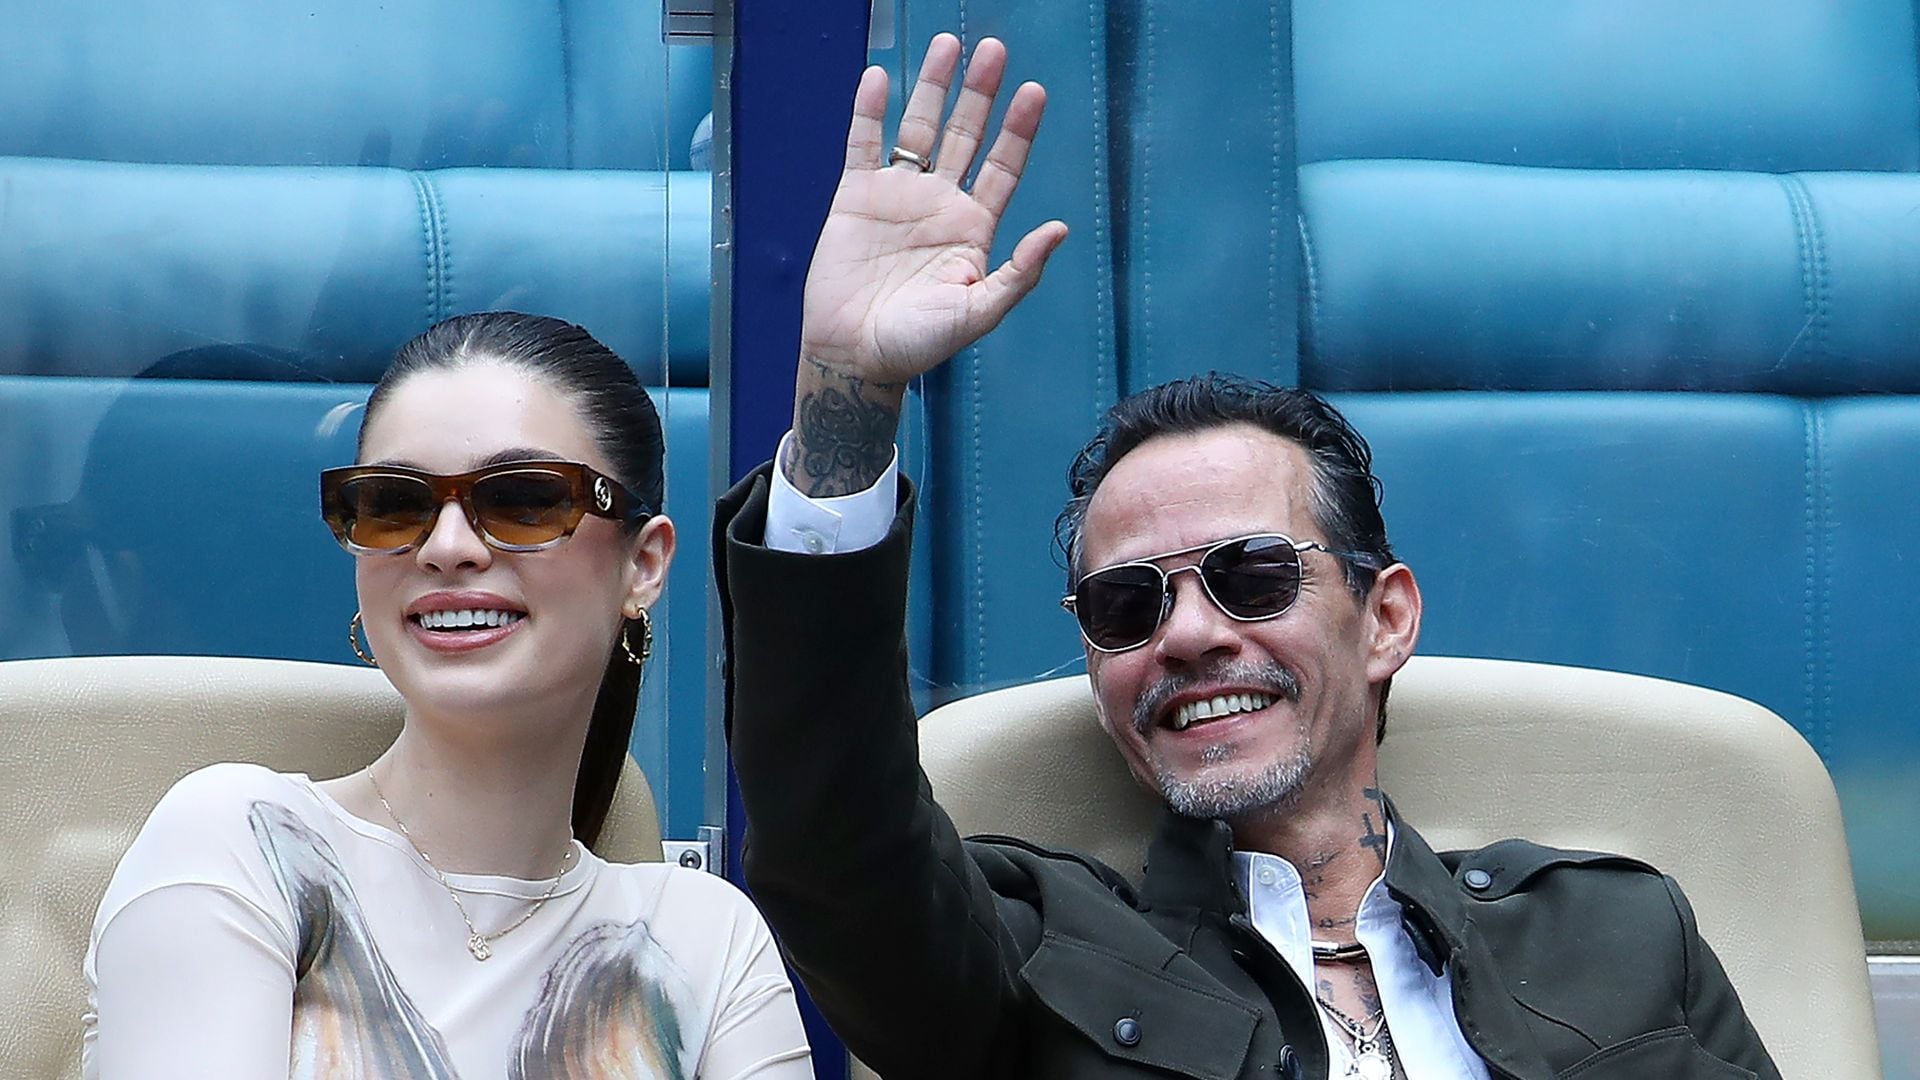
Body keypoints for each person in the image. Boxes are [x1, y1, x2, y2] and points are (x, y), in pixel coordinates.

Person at [716, 35, 1780, 1080]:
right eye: (1126, 605)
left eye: (1253, 575)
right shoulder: (1033, 957)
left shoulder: (1619, 938)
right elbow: (834, 848)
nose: (1187, 633)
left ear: (1387, 618)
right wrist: (844, 390)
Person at [84, 312, 811, 1078]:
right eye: (395, 504)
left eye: (526, 500)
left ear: (645, 564)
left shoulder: (704, 937)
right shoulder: (243, 841)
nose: (448, 548)